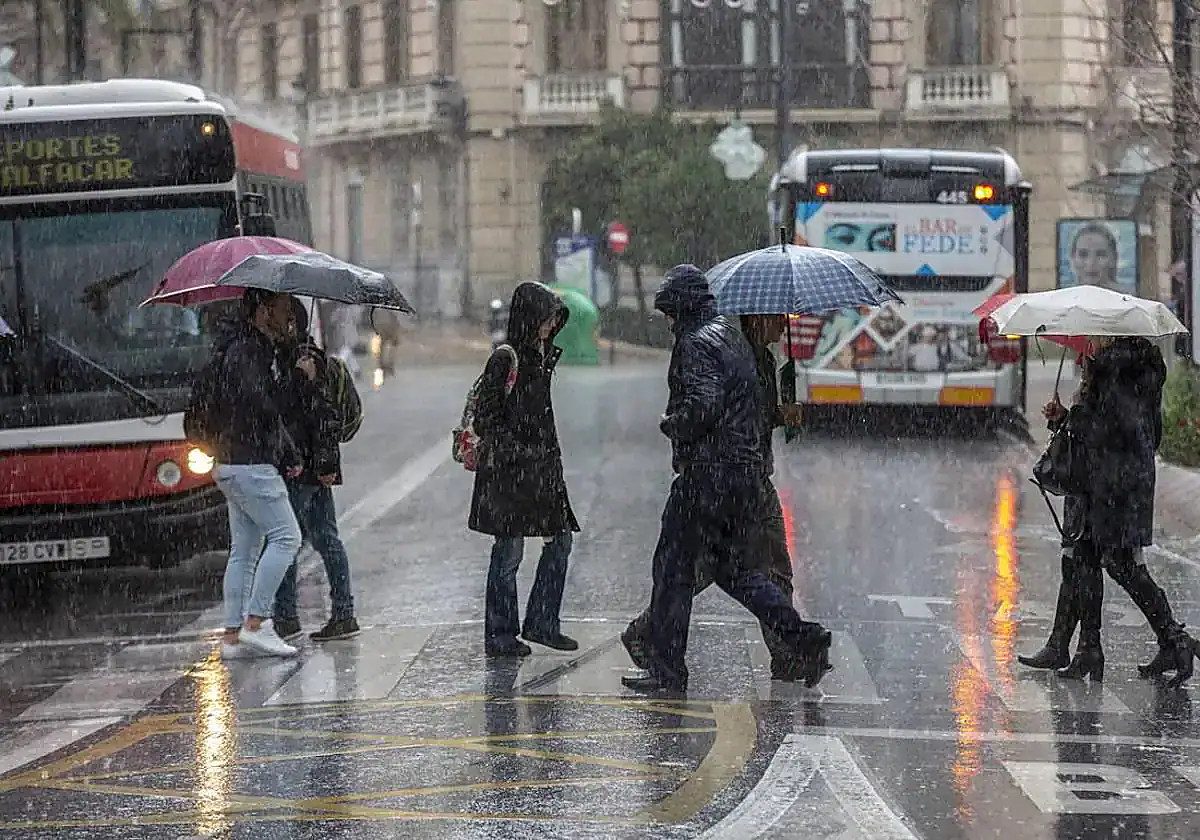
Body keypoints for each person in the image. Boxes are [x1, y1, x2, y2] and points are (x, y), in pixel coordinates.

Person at [622, 265, 832, 695]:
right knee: (741, 573)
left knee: (673, 571)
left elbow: (703, 404)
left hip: (706, 476)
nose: (668, 324)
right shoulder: (732, 339)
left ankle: (666, 669)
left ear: (679, 310)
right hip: (742, 477)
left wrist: (672, 424)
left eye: (669, 315)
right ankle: (802, 637)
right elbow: (746, 407)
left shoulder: (696, 344)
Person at [1022, 337, 1199, 687]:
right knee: (1080, 558)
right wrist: (1068, 417)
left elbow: (1113, 430)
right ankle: (1075, 646)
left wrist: (1075, 417)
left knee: (1118, 564)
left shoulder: (1118, 372)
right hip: (1108, 482)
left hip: (1113, 485)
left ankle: (1172, 642)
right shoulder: (1124, 371)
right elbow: (1122, 430)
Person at [469, 281, 580, 658]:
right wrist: (520, 451)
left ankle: (542, 623)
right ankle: (500, 634)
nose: (551, 325)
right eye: (546, 318)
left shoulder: (542, 355)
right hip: (509, 473)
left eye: (553, 319)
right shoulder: (507, 358)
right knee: (509, 551)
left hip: (542, 469)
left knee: (560, 540)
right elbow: (487, 417)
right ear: (530, 317)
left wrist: (547, 458)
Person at [211, 288, 304, 659]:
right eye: (283, 308)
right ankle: (257, 622)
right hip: (250, 461)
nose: (290, 316)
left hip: (230, 460)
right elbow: (263, 404)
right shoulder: (251, 351)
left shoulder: (236, 347)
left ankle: (233, 635)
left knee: (245, 550)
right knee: (287, 538)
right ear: (263, 310)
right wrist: (292, 377)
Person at [272, 299, 361, 642]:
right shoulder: (304, 355)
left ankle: (286, 617)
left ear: (292, 322)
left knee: (285, 540)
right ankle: (343, 613)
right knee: (325, 538)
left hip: (302, 465)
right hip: (316, 464)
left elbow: (312, 414)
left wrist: (299, 379)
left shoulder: (300, 359)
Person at [1067, 223, 1121, 292]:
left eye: (1100, 255)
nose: (1091, 263)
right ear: (1072, 258)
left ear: (1113, 259)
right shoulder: (1060, 300)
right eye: (1083, 255)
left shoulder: (1128, 300)